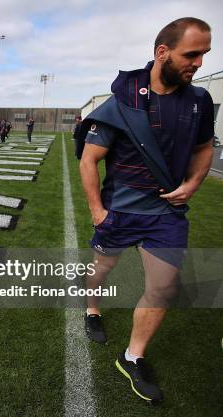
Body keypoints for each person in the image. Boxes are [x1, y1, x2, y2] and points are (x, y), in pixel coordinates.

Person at [77, 17, 213, 404]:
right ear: (162, 52)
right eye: (192, 54)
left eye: (204, 54)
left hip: (167, 218)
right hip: (119, 212)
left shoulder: (200, 101)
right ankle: (91, 309)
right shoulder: (122, 103)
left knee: (163, 287)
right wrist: (98, 212)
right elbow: (89, 161)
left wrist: (192, 184)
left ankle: (132, 356)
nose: (198, 63)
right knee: (101, 269)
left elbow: (205, 147)